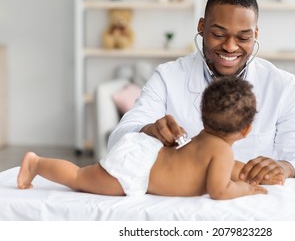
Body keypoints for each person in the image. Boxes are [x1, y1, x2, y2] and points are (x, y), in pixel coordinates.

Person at [108, 0, 295, 184]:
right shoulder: (168, 76)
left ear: (255, 34)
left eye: (243, 38)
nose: (230, 47)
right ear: (202, 27)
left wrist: (285, 167)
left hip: (255, 201)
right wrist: (147, 130)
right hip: (185, 198)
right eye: (218, 34)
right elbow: (118, 139)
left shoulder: (282, 85)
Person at [17, 77, 268, 200]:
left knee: (80, 176)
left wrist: (248, 172)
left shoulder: (205, 139)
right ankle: (35, 164)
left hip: (147, 153)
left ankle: (37, 164)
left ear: (203, 117)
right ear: (246, 130)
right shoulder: (222, 151)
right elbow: (219, 189)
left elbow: (225, 170)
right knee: (78, 178)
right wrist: (246, 189)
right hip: (137, 168)